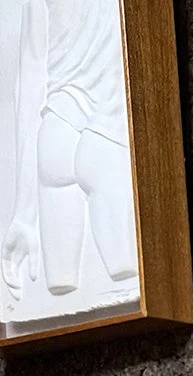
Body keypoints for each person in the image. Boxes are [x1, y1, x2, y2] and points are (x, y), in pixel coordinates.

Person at [1, 0, 137, 308]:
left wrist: (23, 213)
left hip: (55, 133)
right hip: (108, 135)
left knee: (67, 303)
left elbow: (29, 83)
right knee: (124, 294)